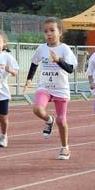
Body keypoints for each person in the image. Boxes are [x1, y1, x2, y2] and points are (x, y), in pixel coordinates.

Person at [24, 18, 78, 160]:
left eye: (52, 30)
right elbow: (34, 63)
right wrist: (29, 78)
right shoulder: (41, 48)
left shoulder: (64, 49)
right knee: (37, 109)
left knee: (61, 120)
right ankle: (49, 120)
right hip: (45, 86)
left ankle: (65, 148)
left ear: (60, 32)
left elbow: (71, 69)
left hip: (60, 88)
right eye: (46, 31)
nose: (49, 34)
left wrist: (58, 60)